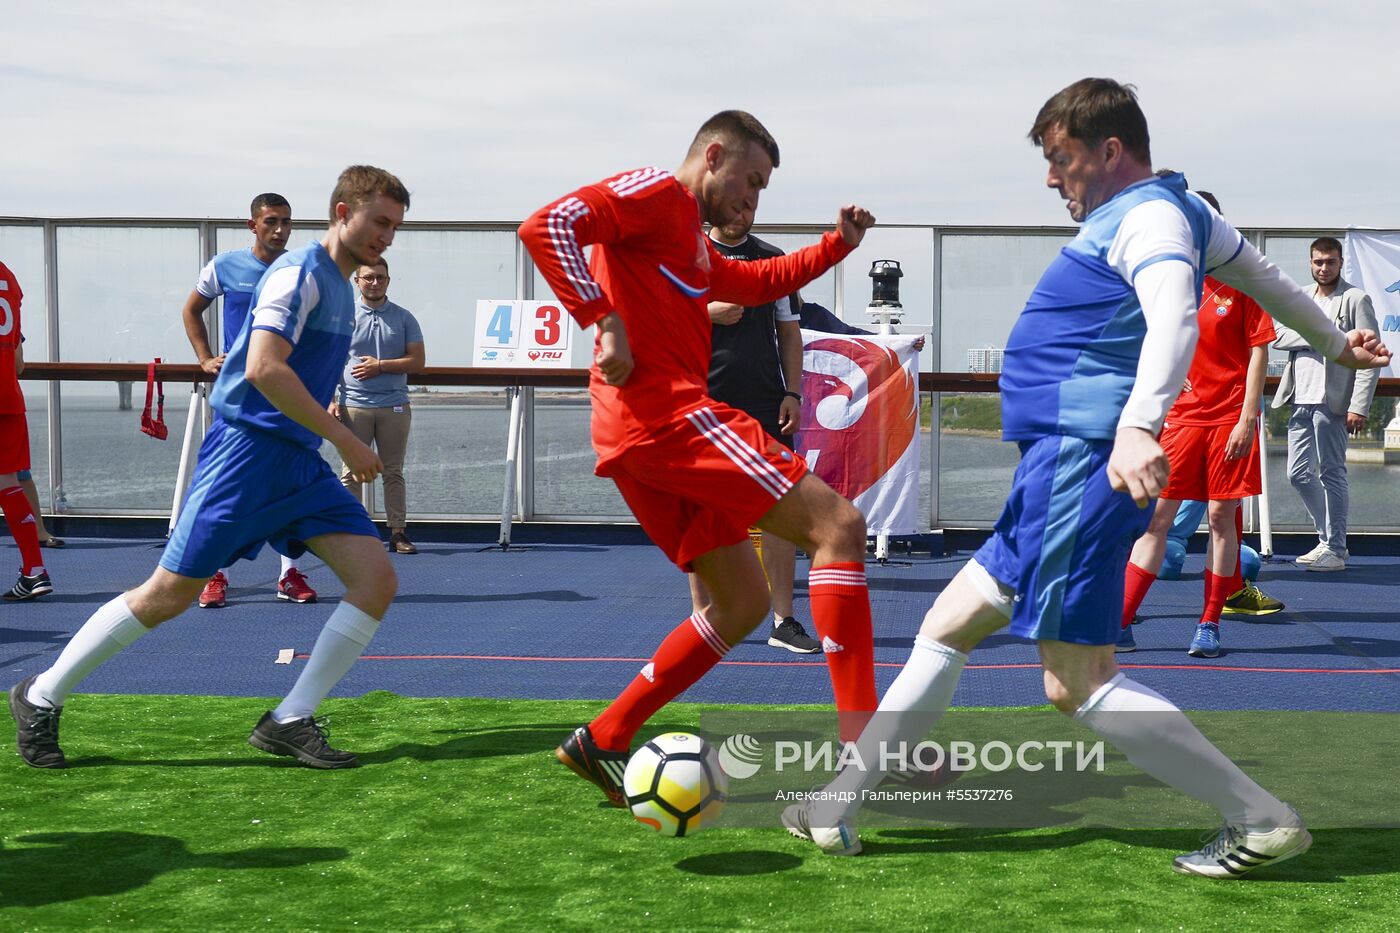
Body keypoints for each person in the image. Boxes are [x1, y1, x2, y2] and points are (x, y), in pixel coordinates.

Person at [782, 78, 1389, 877]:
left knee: (1076, 681)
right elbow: (1265, 279)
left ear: (1109, 151)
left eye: (1059, 157)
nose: (1049, 176)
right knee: (947, 622)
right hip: (1057, 467)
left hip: (1082, 462)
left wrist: (1138, 424)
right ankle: (837, 806)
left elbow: (1174, 307)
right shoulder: (1178, 210)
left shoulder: (1149, 218)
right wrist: (1336, 344)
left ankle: (1261, 817)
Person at [519, 110, 879, 807]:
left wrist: (839, 244)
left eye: (763, 189)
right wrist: (603, 319)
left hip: (639, 440)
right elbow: (546, 226)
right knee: (840, 526)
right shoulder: (655, 193)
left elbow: (758, 279)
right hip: (667, 419)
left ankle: (605, 736)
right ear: (712, 156)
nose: (753, 199)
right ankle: (867, 751)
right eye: (750, 181)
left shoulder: (687, 241)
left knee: (742, 602)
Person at [9, 165, 411, 770]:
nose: (387, 235)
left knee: (376, 578)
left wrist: (323, 431)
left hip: (297, 465)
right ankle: (39, 697)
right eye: (379, 221)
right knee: (168, 594)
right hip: (245, 456)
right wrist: (347, 439)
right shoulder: (299, 274)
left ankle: (290, 718)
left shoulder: (341, 286)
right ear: (340, 212)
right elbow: (262, 369)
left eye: (395, 226)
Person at [1117, 189, 1282, 657]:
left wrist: (1247, 417)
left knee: (1219, 518)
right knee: (1158, 520)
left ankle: (1209, 624)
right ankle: (1121, 622)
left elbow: (1258, 352)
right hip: (1183, 420)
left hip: (1230, 418)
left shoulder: (1245, 279)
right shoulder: (1167, 279)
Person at [690, 210, 820, 653]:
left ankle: (783, 621)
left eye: (749, 203)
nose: (741, 212)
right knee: (703, 508)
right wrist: (707, 313)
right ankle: (704, 618)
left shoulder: (771, 259)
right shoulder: (688, 259)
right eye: (735, 202)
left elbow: (789, 333)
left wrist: (793, 393)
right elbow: (656, 323)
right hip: (703, 399)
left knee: (781, 507)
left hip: (767, 402)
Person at [181, 193, 318, 607]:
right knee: (227, 486)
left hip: (286, 395)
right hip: (237, 398)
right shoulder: (224, 266)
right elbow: (191, 311)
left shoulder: (303, 271)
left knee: (289, 484)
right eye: (272, 221)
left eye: (287, 222)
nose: (280, 230)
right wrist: (205, 358)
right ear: (252, 225)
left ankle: (288, 574)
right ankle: (215, 574)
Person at [1271, 236, 1380, 572]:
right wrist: (1324, 336)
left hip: (1332, 401)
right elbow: (1276, 335)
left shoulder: (1354, 299)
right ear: (1310, 262)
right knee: (1298, 474)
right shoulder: (1300, 297)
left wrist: (1359, 405)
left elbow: (1370, 354)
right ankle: (1327, 540)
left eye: (1330, 262)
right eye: (1318, 262)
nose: (1323, 268)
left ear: (1340, 262)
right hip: (1298, 396)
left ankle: (1335, 547)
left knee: (1332, 474)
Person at [330, 259, 425, 555]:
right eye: (368, 278)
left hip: (394, 404)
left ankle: (398, 533)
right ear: (357, 281)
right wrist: (330, 400)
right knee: (351, 472)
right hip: (352, 405)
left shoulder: (404, 318)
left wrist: (380, 366)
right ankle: (354, 535)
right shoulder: (342, 317)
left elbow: (417, 361)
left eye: (380, 278)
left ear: (388, 280)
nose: (375, 283)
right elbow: (329, 361)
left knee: (393, 471)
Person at [0, 260, 53, 600]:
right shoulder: (8, 277)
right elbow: (18, 362)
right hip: (7, 396)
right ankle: (34, 570)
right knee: (8, 483)